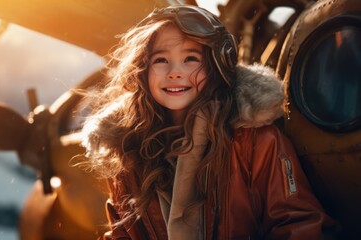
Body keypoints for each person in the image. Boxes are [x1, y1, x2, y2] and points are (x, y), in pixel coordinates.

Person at [80, 4, 336, 239]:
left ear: (216, 67)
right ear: (143, 72)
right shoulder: (129, 149)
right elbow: (122, 233)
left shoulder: (256, 141)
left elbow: (298, 225)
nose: (175, 72)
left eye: (190, 59)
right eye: (160, 60)